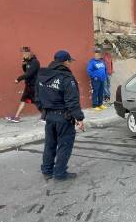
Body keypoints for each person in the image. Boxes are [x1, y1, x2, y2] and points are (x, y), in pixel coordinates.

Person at [35, 50, 85, 181]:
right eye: (70, 61)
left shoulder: (42, 75)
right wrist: (79, 118)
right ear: (65, 61)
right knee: (64, 145)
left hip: (49, 116)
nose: (70, 64)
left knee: (50, 144)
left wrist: (44, 110)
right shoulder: (67, 78)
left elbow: (37, 97)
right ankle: (60, 173)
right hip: (63, 117)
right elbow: (72, 101)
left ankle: (47, 170)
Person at [6, 47, 40, 123]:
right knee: (23, 100)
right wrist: (24, 64)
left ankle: (46, 116)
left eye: (24, 53)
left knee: (37, 101)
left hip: (33, 85)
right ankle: (16, 117)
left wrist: (18, 79)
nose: (23, 55)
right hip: (28, 85)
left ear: (29, 53)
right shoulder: (28, 62)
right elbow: (26, 71)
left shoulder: (35, 62)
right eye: (22, 53)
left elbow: (29, 74)